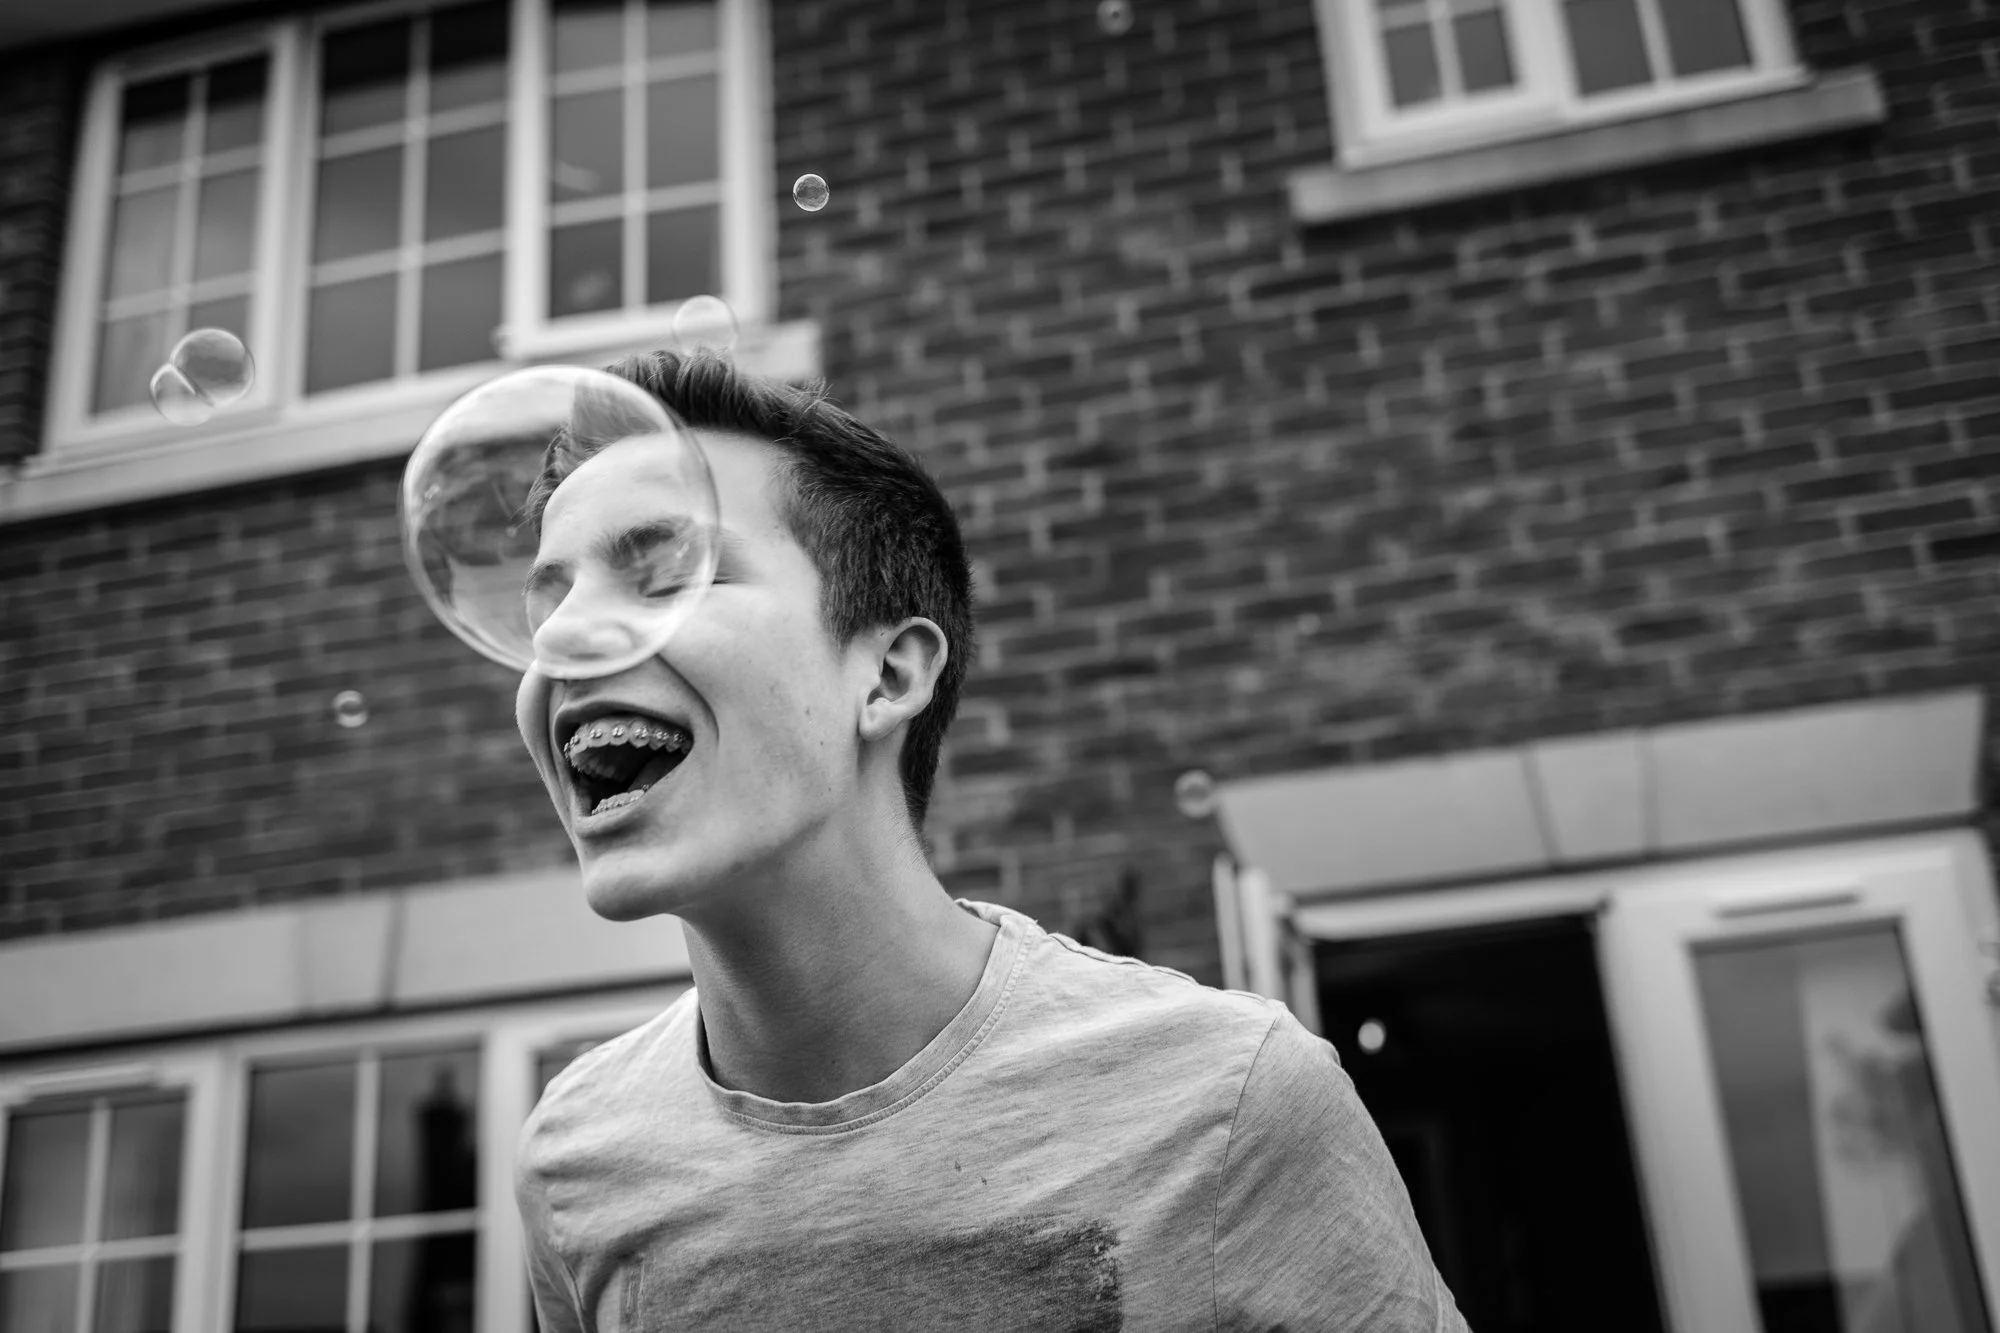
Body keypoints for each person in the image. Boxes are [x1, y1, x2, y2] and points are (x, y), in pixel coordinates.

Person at [512, 350, 1471, 1332]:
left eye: (667, 572)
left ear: (886, 677)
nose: (565, 639)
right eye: (546, 604)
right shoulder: (575, 1157)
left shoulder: (1230, 1100)